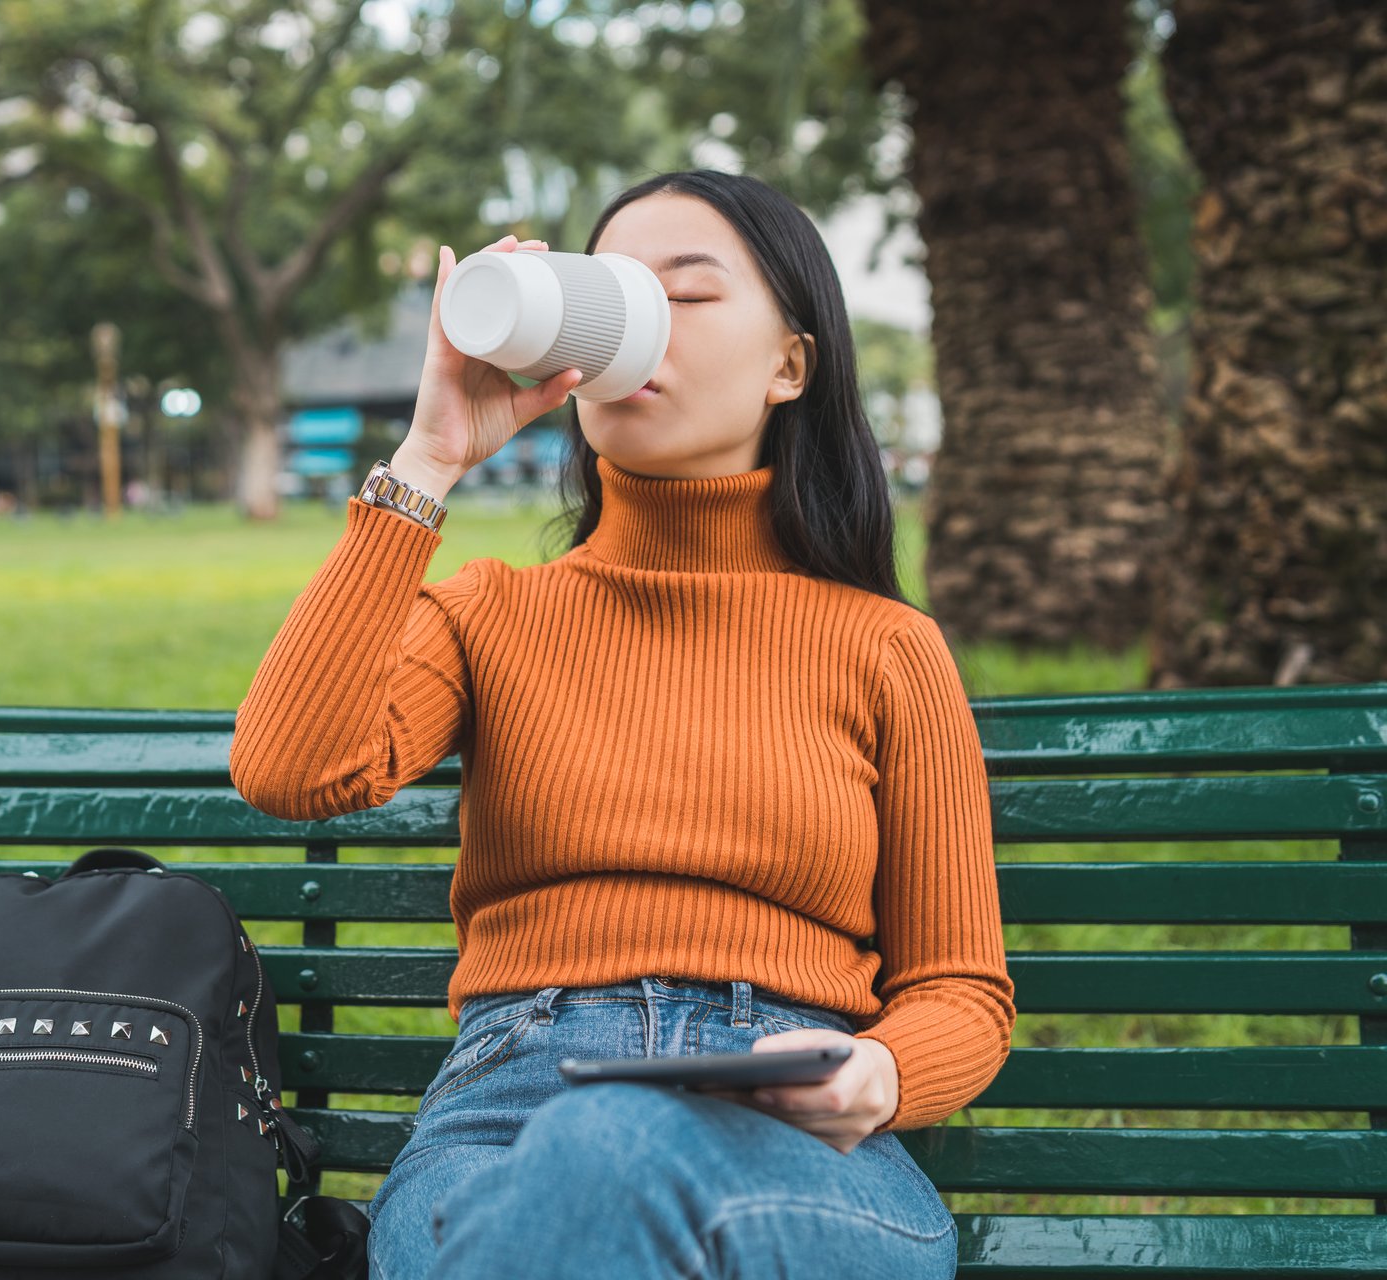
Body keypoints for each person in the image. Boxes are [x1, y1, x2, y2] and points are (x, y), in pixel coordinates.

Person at [228, 167, 1014, 1280]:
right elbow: (286, 763)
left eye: (686, 294)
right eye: (610, 291)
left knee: (592, 1171)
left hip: (789, 1138)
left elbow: (962, 989)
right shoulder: (491, 614)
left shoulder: (884, 647)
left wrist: (875, 1071)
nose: (638, 324)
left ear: (790, 364)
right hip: (504, 1111)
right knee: (554, 1189)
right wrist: (432, 456)